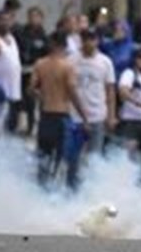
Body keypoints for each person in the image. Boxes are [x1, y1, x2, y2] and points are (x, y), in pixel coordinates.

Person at [30, 32, 88, 188]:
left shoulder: (40, 64)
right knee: (61, 160)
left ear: (51, 45)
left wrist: (42, 95)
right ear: (63, 47)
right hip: (61, 117)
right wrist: (84, 116)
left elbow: (31, 89)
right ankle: (57, 197)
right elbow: (72, 91)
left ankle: (39, 193)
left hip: (45, 117)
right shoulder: (67, 67)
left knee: (43, 159)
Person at [69, 28, 117, 156]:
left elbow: (110, 90)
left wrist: (111, 115)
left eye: (92, 39)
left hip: (97, 115)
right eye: (85, 39)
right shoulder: (71, 60)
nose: (89, 43)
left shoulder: (105, 62)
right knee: (73, 156)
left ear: (97, 41)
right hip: (75, 116)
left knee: (94, 156)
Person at [11, 7, 48, 134]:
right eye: (31, 16)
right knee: (18, 100)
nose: (33, 19)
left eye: (36, 16)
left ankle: (31, 128)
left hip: (35, 72)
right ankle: (16, 126)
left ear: (41, 19)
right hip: (20, 71)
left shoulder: (43, 36)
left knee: (32, 101)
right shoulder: (20, 32)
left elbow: (45, 55)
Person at [0, 11, 22, 132]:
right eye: (2, 20)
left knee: (10, 129)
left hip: (13, 92)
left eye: (8, 20)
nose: (5, 23)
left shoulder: (12, 38)